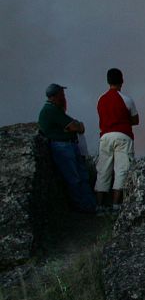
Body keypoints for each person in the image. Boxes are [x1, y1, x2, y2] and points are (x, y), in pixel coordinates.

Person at [37, 83, 96, 213]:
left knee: (80, 175)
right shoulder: (51, 110)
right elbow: (76, 127)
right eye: (61, 95)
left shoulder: (54, 110)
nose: (63, 97)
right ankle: (84, 206)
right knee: (74, 177)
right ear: (54, 96)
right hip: (63, 147)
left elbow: (72, 124)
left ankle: (90, 205)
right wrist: (77, 125)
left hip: (67, 146)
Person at [95, 68, 139, 211]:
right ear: (122, 81)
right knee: (122, 169)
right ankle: (116, 205)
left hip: (105, 136)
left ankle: (100, 205)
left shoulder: (100, 99)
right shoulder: (127, 99)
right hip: (123, 136)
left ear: (108, 81)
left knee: (103, 169)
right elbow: (135, 120)